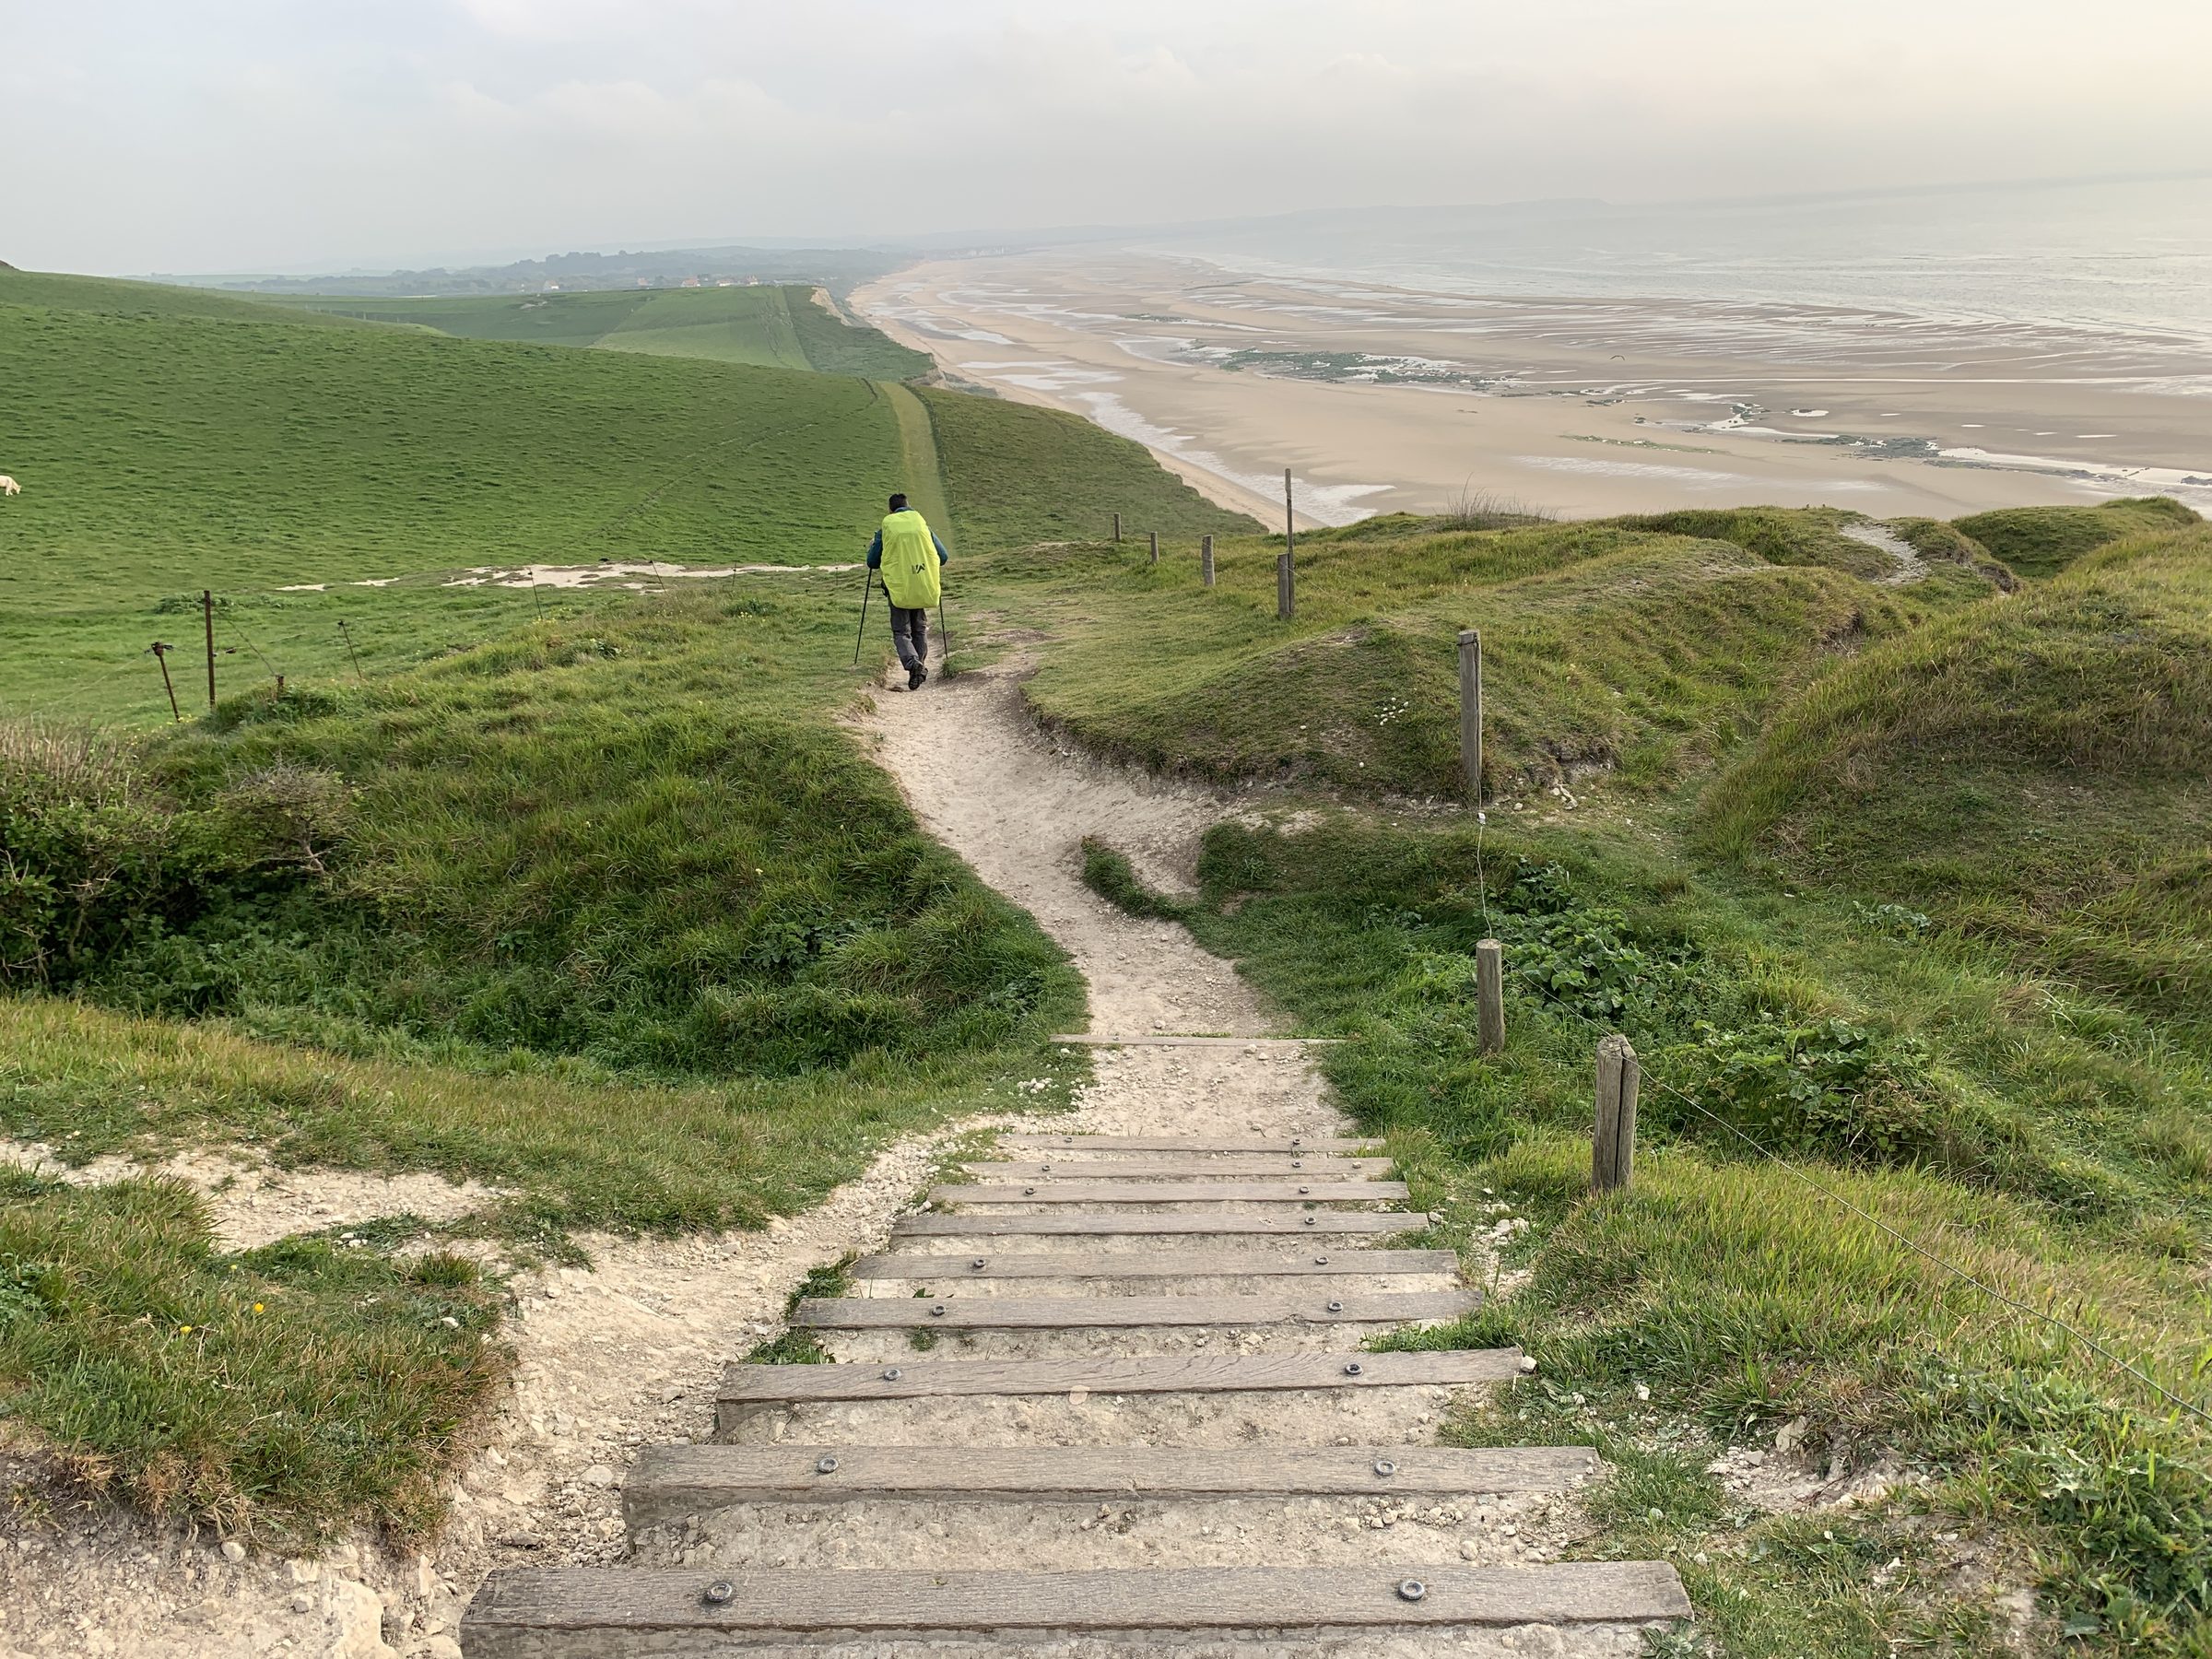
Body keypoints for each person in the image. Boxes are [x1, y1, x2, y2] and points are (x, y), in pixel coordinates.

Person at [865, 492, 948, 689]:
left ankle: (913, 664)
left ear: (890, 510)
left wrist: (873, 546)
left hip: (899, 587)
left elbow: (872, 562)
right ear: (908, 506)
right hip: (922, 582)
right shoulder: (922, 525)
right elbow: (943, 556)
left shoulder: (886, 527)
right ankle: (918, 668)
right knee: (919, 628)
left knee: (902, 631)